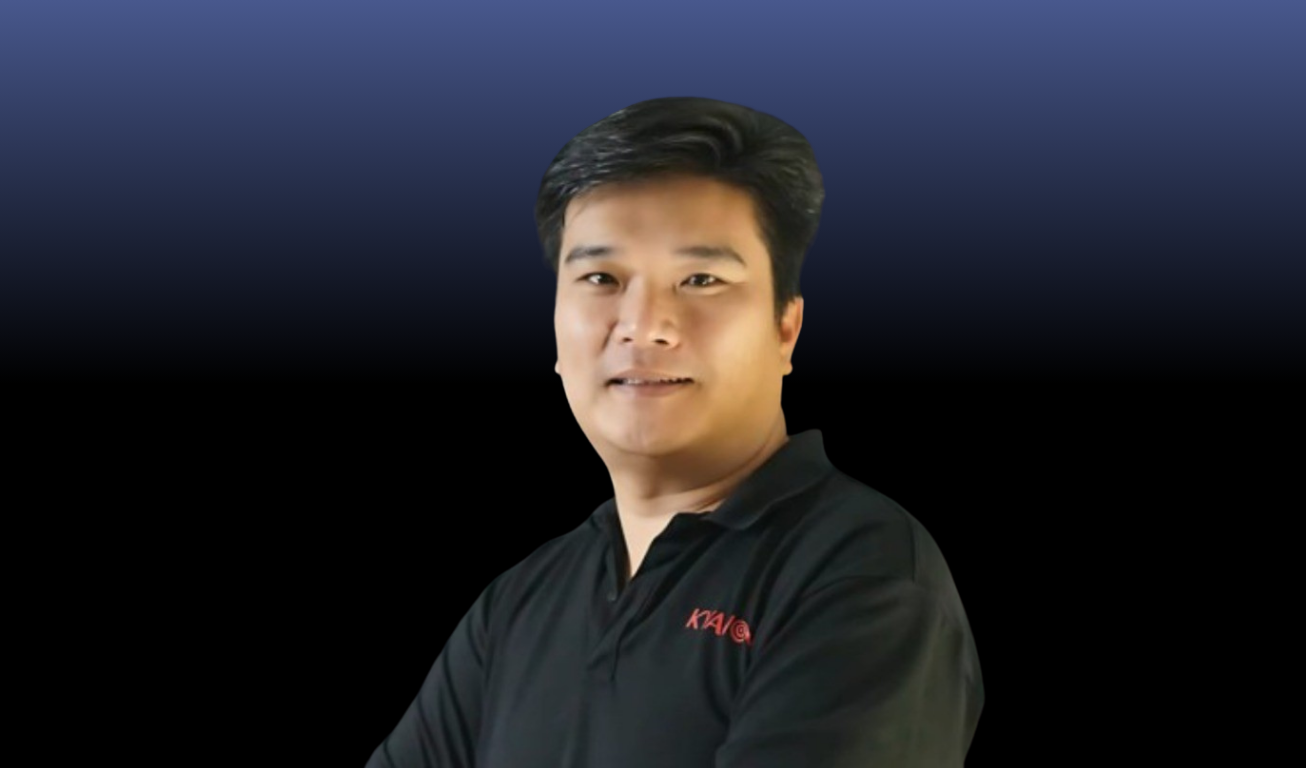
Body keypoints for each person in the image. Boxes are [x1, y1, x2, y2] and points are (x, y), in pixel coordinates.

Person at [365, 96, 984, 767]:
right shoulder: (519, 603)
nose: (643, 326)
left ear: (785, 329)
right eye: (601, 277)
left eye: (700, 279)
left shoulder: (863, 576)